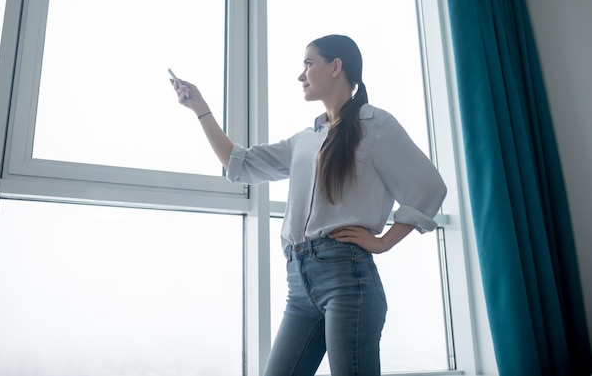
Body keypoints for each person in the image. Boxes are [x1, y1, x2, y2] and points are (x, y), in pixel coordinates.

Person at [171, 34, 447, 376]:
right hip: (299, 282)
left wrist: (383, 241)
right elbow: (238, 162)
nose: (301, 75)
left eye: (308, 63)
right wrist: (200, 108)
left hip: (347, 279)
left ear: (336, 67)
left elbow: (429, 187)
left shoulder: (376, 125)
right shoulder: (304, 140)